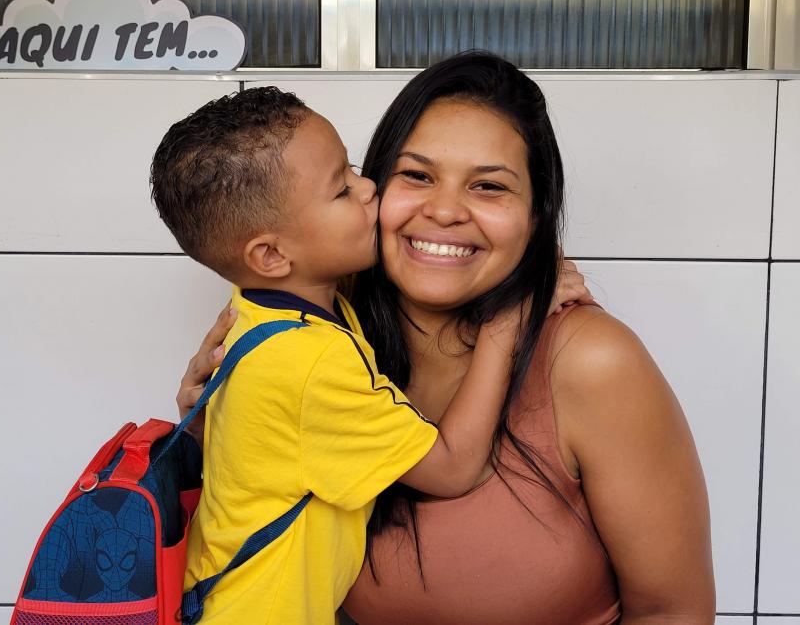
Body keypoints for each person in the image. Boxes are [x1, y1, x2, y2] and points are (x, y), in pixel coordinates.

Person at [177, 52, 715, 624]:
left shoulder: (592, 361)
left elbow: (673, 612)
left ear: (535, 218)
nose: (445, 211)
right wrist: (209, 429)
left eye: (489, 186)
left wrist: (512, 319)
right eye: (416, 175)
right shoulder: (317, 335)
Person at [149, 87, 590, 625]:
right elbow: (453, 468)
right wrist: (508, 320)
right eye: (341, 190)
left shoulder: (269, 306)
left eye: (354, 170)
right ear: (270, 255)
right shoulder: (309, 362)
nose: (369, 188)